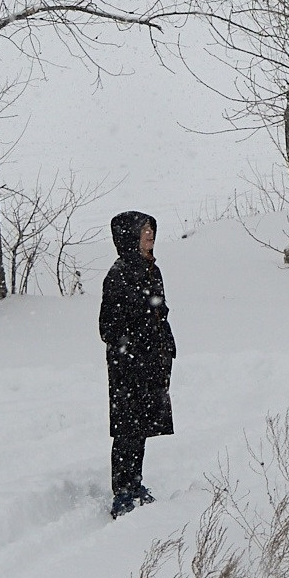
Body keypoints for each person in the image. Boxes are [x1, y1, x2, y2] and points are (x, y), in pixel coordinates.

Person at [99, 210, 175, 517]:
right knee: (127, 429)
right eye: (143, 230)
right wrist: (134, 344)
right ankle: (122, 493)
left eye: (151, 229)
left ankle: (136, 483)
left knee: (142, 426)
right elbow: (108, 327)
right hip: (129, 365)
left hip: (152, 362)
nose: (149, 235)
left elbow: (159, 312)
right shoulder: (119, 274)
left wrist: (163, 346)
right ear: (128, 236)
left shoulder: (151, 270)